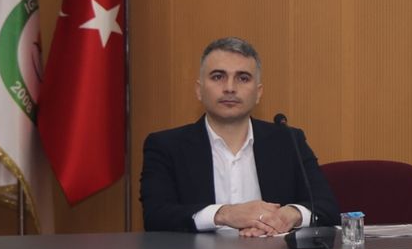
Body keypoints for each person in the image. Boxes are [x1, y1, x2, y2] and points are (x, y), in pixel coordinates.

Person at [139, 37, 340, 234]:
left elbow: (327, 208)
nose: (230, 88)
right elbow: (156, 216)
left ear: (258, 93)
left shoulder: (288, 141)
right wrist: (225, 214)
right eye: (218, 77)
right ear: (199, 90)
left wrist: (291, 214)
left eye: (243, 78)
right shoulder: (166, 146)